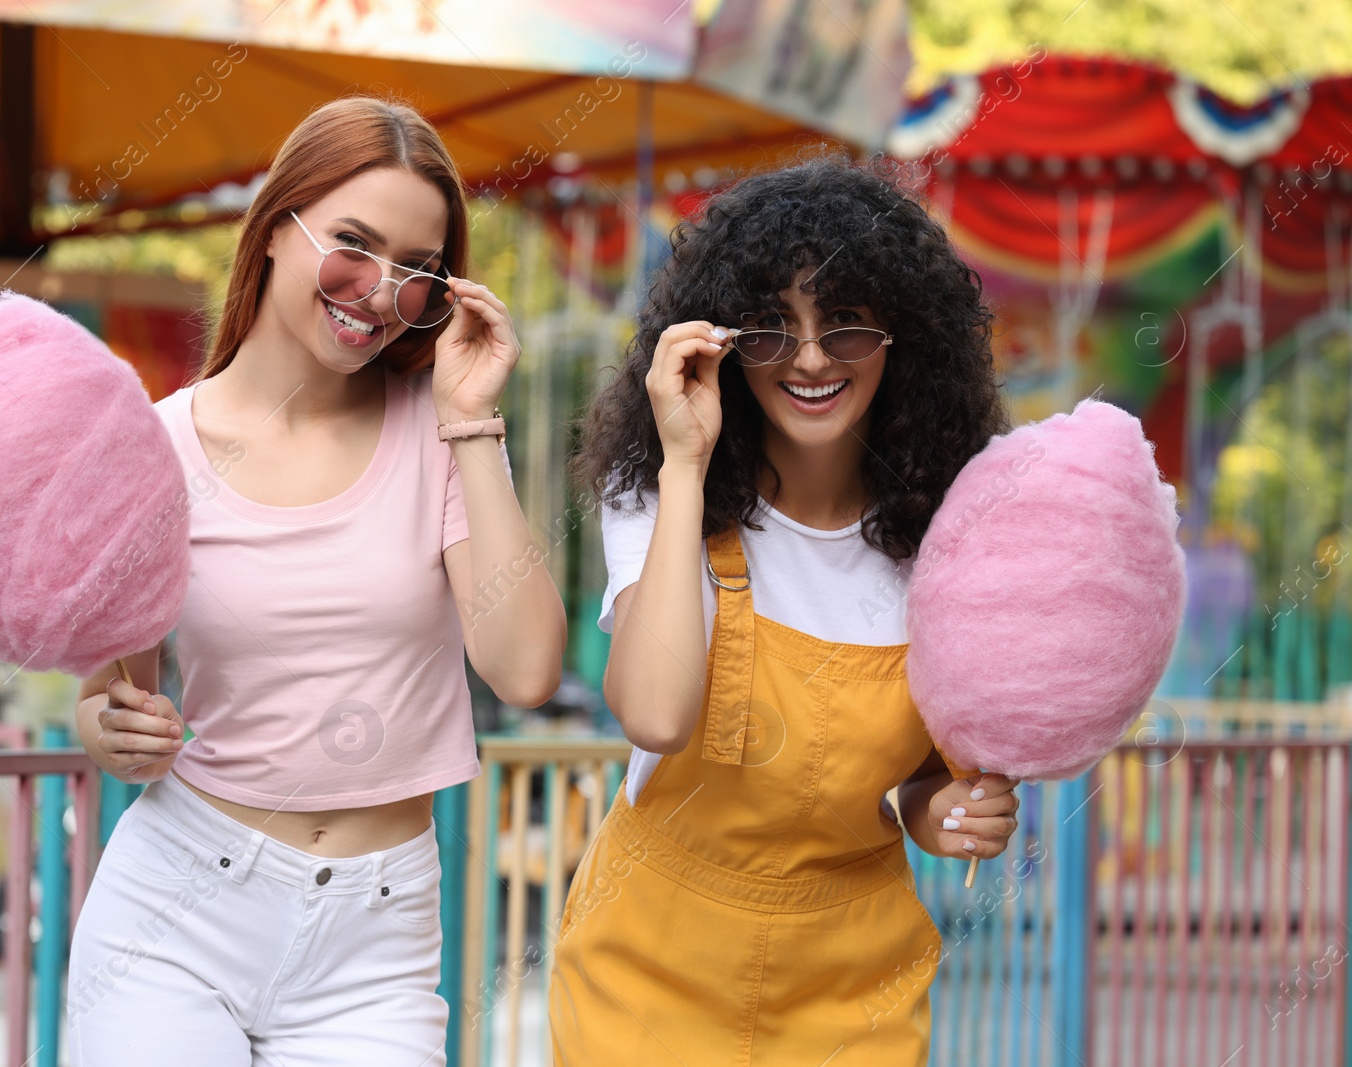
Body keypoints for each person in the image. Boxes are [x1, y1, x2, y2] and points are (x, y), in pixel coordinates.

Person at [67, 95, 567, 1066]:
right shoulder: (151, 449)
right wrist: (113, 731)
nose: (382, 290)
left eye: (419, 269)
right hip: (175, 911)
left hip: (374, 948)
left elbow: (525, 668)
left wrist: (471, 416)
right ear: (272, 230)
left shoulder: (442, 428)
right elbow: (106, 698)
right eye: (352, 243)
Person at [547, 152, 1020, 1065]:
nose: (808, 358)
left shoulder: (952, 540)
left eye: (844, 325)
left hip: (855, 988)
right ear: (722, 343)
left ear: (902, 339)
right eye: (769, 328)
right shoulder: (656, 490)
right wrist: (685, 463)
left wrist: (954, 814)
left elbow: (924, 782)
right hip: (647, 971)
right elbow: (652, 711)